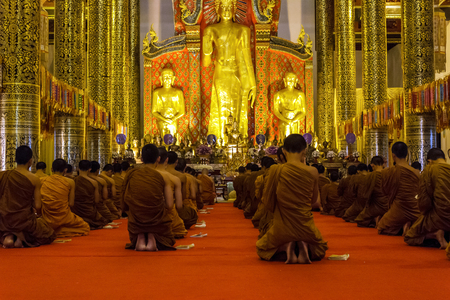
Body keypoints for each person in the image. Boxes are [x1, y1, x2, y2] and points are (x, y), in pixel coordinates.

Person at [256, 134, 328, 264]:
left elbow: (267, 202)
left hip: (281, 227)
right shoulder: (313, 171)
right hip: (306, 226)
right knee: (319, 249)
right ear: (305, 150)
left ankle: (286, 246)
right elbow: (313, 201)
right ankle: (303, 245)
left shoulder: (276, 170)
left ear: (283, 151)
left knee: (262, 248)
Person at [122, 144, 176, 251]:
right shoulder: (163, 176)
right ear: (158, 159)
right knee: (168, 237)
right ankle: (153, 236)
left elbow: (125, 201)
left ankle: (140, 236)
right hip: (157, 220)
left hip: (136, 221)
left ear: (141, 159)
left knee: (136, 210)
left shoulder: (132, 174)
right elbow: (169, 205)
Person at [0, 146, 56, 248]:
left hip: (4, 219)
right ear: (30, 161)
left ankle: (9, 236)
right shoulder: (34, 179)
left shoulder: (3, 175)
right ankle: (20, 237)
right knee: (49, 233)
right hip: (24, 220)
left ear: (15, 160)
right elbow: (38, 205)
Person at [404, 148, 450, 249]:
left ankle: (434, 234)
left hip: (439, 216)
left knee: (409, 237)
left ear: (429, 161)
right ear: (445, 159)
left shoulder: (429, 170)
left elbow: (424, 203)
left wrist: (424, 214)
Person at [377, 142, 420, 236]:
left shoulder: (388, 172)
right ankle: (408, 224)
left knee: (382, 227)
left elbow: (385, 191)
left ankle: (402, 225)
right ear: (407, 154)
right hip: (415, 208)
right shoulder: (416, 172)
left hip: (399, 207)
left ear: (393, 155)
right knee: (420, 224)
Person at [40, 159, 90, 238]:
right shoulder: (70, 182)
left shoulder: (42, 180)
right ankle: (59, 230)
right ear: (65, 170)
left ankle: (51, 230)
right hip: (64, 216)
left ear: (51, 169)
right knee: (85, 227)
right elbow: (71, 203)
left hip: (47, 218)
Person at [156, 147, 187, 239]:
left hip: (147, 218)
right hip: (169, 219)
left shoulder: (144, 176)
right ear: (166, 159)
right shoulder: (175, 178)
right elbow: (179, 205)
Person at [71, 160, 108, 229]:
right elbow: (97, 200)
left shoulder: (73, 181)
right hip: (89, 211)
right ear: (89, 169)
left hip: (76, 211)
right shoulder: (94, 182)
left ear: (78, 168)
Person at [355, 156, 389, 228]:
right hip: (388, 205)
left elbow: (365, 194)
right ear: (383, 164)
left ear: (372, 165)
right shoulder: (389, 173)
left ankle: (374, 219)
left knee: (360, 220)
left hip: (376, 205)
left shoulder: (371, 175)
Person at [166, 151, 197, 229]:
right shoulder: (181, 177)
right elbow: (182, 198)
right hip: (174, 207)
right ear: (176, 162)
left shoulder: (157, 174)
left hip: (156, 210)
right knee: (191, 214)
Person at [252, 157, 276, 229]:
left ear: (264, 167)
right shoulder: (280, 174)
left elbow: (258, 195)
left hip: (264, 205)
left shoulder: (261, 178)